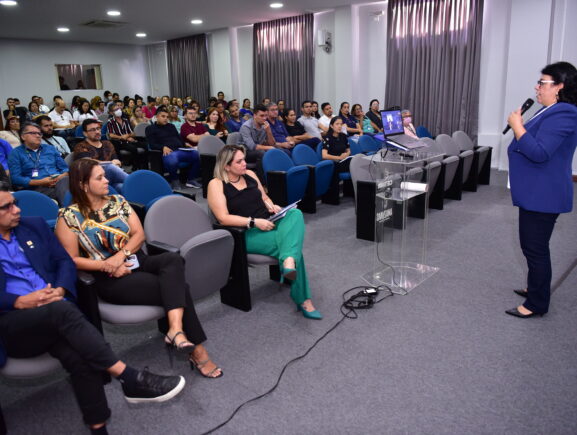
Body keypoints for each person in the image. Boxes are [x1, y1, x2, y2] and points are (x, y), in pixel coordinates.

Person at [0, 185, 186, 433]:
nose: (17, 209)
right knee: (64, 314)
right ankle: (129, 378)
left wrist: (61, 289)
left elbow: (63, 261)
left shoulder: (31, 225)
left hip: (55, 312)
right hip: (14, 323)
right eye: (7, 206)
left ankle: (99, 428)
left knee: (80, 357)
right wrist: (18, 301)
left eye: (15, 202)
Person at [56, 159, 222, 378]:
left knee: (173, 260)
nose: (107, 180)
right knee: (180, 287)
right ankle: (197, 350)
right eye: (100, 177)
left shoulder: (117, 201)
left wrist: (120, 256)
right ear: (84, 185)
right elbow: (71, 259)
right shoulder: (68, 217)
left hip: (135, 260)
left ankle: (175, 330)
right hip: (109, 277)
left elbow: (139, 234)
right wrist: (108, 265)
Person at [207, 145, 322, 319]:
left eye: (244, 159)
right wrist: (253, 222)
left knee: (295, 213)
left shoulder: (251, 175)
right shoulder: (216, 184)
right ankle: (303, 298)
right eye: (239, 161)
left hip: (269, 222)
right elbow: (223, 218)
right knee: (292, 246)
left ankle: (288, 260)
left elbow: (264, 198)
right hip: (245, 233)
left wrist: (272, 206)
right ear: (226, 166)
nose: (245, 163)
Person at [505, 61, 577, 318]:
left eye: (543, 83)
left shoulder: (565, 113)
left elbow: (539, 152)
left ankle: (536, 304)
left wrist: (517, 126)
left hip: (543, 194)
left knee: (534, 247)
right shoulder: (550, 110)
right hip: (536, 191)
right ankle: (535, 288)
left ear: (560, 86)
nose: (537, 87)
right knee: (534, 245)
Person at [7, 122, 69, 205]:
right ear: (23, 136)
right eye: (33, 133)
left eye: (39, 133)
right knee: (65, 193)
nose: (38, 136)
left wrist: (60, 177)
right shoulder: (16, 153)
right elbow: (16, 178)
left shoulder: (50, 148)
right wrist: (40, 182)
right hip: (36, 188)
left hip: (60, 182)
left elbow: (65, 168)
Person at [145, 107, 201, 189]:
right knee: (172, 159)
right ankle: (174, 180)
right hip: (168, 152)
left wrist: (185, 144)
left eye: (167, 117)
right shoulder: (150, 128)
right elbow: (152, 144)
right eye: (163, 116)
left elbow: (179, 138)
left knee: (197, 154)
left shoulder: (171, 126)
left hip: (180, 150)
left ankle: (191, 179)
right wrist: (162, 147)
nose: (165, 119)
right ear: (156, 117)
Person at [74, 119, 128, 192]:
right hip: (94, 180)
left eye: (98, 129)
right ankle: (138, 182)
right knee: (110, 167)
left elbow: (117, 162)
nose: (97, 132)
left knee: (123, 188)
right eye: (92, 130)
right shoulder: (81, 146)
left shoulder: (107, 144)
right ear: (85, 133)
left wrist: (114, 165)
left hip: (112, 178)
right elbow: (87, 162)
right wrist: (110, 164)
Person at [106, 102, 148, 171]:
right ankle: (135, 167)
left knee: (145, 145)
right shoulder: (110, 122)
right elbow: (111, 135)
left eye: (119, 109)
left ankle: (145, 167)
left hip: (129, 139)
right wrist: (122, 137)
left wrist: (127, 136)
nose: (118, 111)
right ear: (111, 113)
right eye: (115, 110)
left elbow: (133, 133)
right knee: (133, 149)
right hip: (120, 142)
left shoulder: (125, 120)